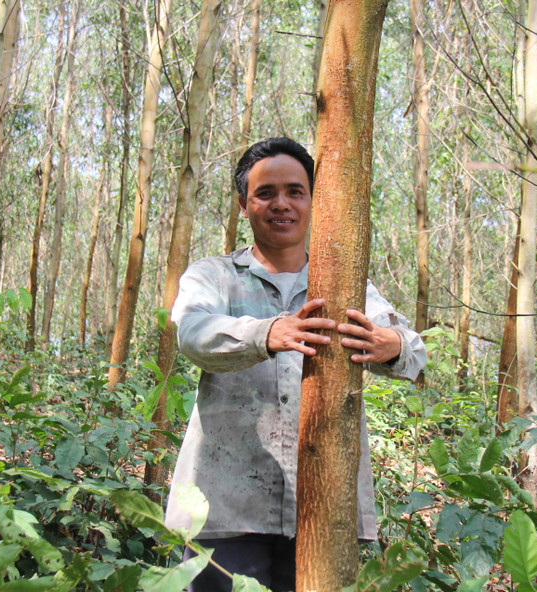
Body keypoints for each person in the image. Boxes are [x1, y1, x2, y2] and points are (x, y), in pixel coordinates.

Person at [164, 137, 426, 591]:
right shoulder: (214, 275)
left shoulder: (346, 283)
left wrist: (391, 343)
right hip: (224, 511)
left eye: (295, 191)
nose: (281, 204)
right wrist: (265, 334)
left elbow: (412, 349)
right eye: (265, 193)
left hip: (322, 512)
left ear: (313, 202)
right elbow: (192, 333)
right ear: (244, 205)